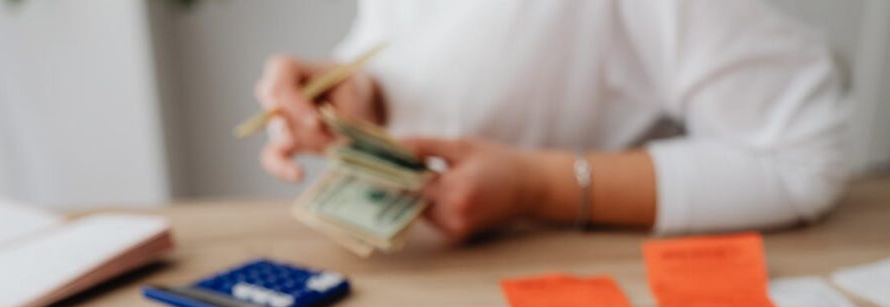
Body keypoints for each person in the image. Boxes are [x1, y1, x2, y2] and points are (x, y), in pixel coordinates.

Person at [255, 0, 849, 241]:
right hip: (432, 281)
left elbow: (801, 162)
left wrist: (535, 186)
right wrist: (359, 92)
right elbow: (406, 41)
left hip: (586, 281)